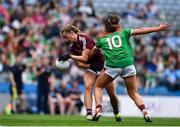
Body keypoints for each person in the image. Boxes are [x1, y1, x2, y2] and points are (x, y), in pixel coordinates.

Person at [91, 14, 170, 122]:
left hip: (113, 66)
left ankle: (99, 109)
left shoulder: (102, 39)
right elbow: (142, 30)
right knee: (133, 92)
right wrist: (158, 28)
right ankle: (145, 111)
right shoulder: (125, 32)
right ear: (118, 24)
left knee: (98, 86)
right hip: (128, 65)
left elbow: (92, 52)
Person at [58, 25, 122, 121]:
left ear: (72, 33)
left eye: (66, 37)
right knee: (87, 87)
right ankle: (89, 113)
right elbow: (80, 64)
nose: (65, 40)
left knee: (111, 94)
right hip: (91, 68)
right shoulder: (72, 47)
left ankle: (116, 113)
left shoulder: (85, 39)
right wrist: (89, 66)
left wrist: (69, 57)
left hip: (103, 67)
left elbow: (84, 58)